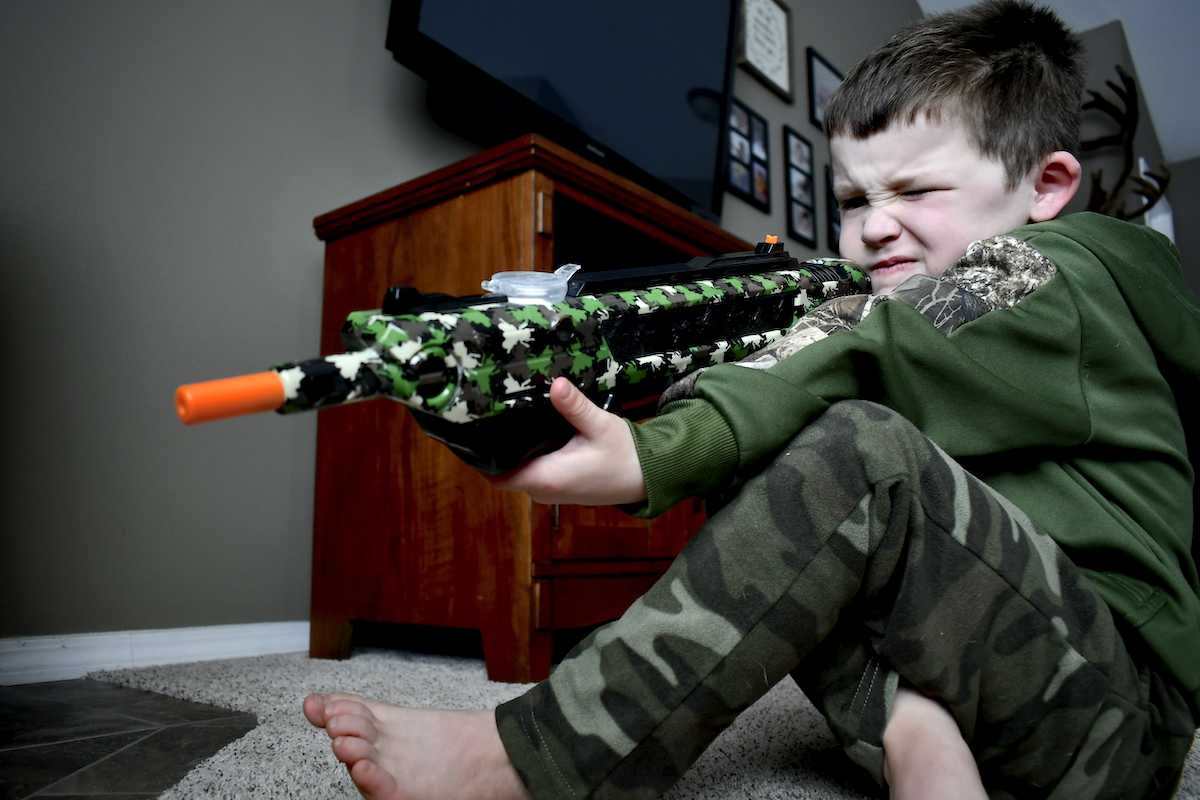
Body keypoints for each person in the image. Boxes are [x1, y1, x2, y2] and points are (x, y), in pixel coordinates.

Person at [303, 2, 1200, 798]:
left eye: (918, 190)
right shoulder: (926, 298)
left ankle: (538, 761)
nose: (874, 224)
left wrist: (660, 450)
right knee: (776, 451)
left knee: (856, 447)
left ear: (1046, 187)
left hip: (1117, 710)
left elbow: (885, 345)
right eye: (853, 198)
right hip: (993, 663)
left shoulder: (1064, 274)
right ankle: (909, 729)